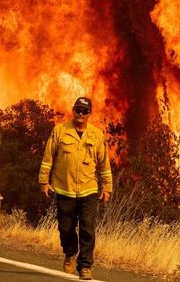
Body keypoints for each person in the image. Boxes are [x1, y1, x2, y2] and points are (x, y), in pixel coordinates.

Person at [39, 96, 113, 280]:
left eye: (84, 111)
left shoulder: (97, 136)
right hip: (64, 189)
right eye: (78, 110)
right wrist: (43, 182)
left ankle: (85, 266)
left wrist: (107, 188)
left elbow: (104, 165)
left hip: (88, 190)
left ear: (89, 114)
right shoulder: (60, 131)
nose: (80, 113)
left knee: (88, 229)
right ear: (73, 110)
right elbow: (48, 158)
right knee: (66, 229)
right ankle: (70, 252)